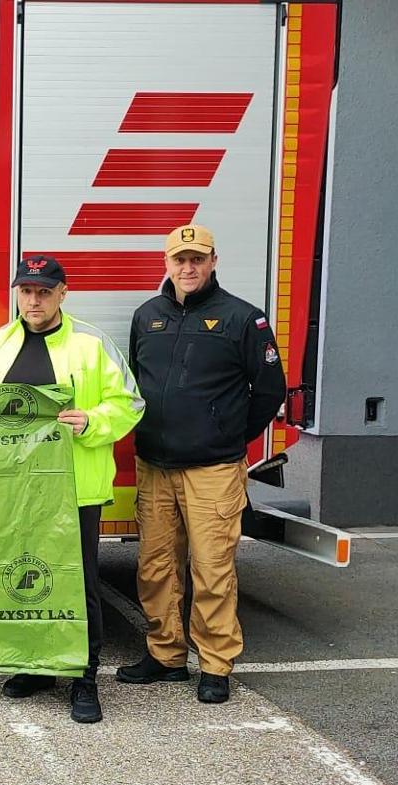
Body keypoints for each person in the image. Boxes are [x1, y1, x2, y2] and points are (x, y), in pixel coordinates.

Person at [0, 255, 144, 724]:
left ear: (62, 292)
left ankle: (84, 678)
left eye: (43, 291)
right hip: (14, 487)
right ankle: (35, 668)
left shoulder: (91, 342)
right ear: (17, 293)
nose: (33, 300)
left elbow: (130, 402)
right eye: (26, 291)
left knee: (76, 582)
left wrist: (92, 421)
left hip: (72, 486)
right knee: (21, 572)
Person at [118, 224, 285, 705]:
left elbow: (269, 390)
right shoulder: (146, 315)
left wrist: (227, 435)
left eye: (197, 259)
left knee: (211, 569)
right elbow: (136, 380)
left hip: (213, 469)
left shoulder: (242, 319)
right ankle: (165, 654)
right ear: (166, 263)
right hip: (155, 465)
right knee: (155, 565)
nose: (187, 268)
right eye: (179, 259)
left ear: (214, 261)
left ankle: (214, 664)